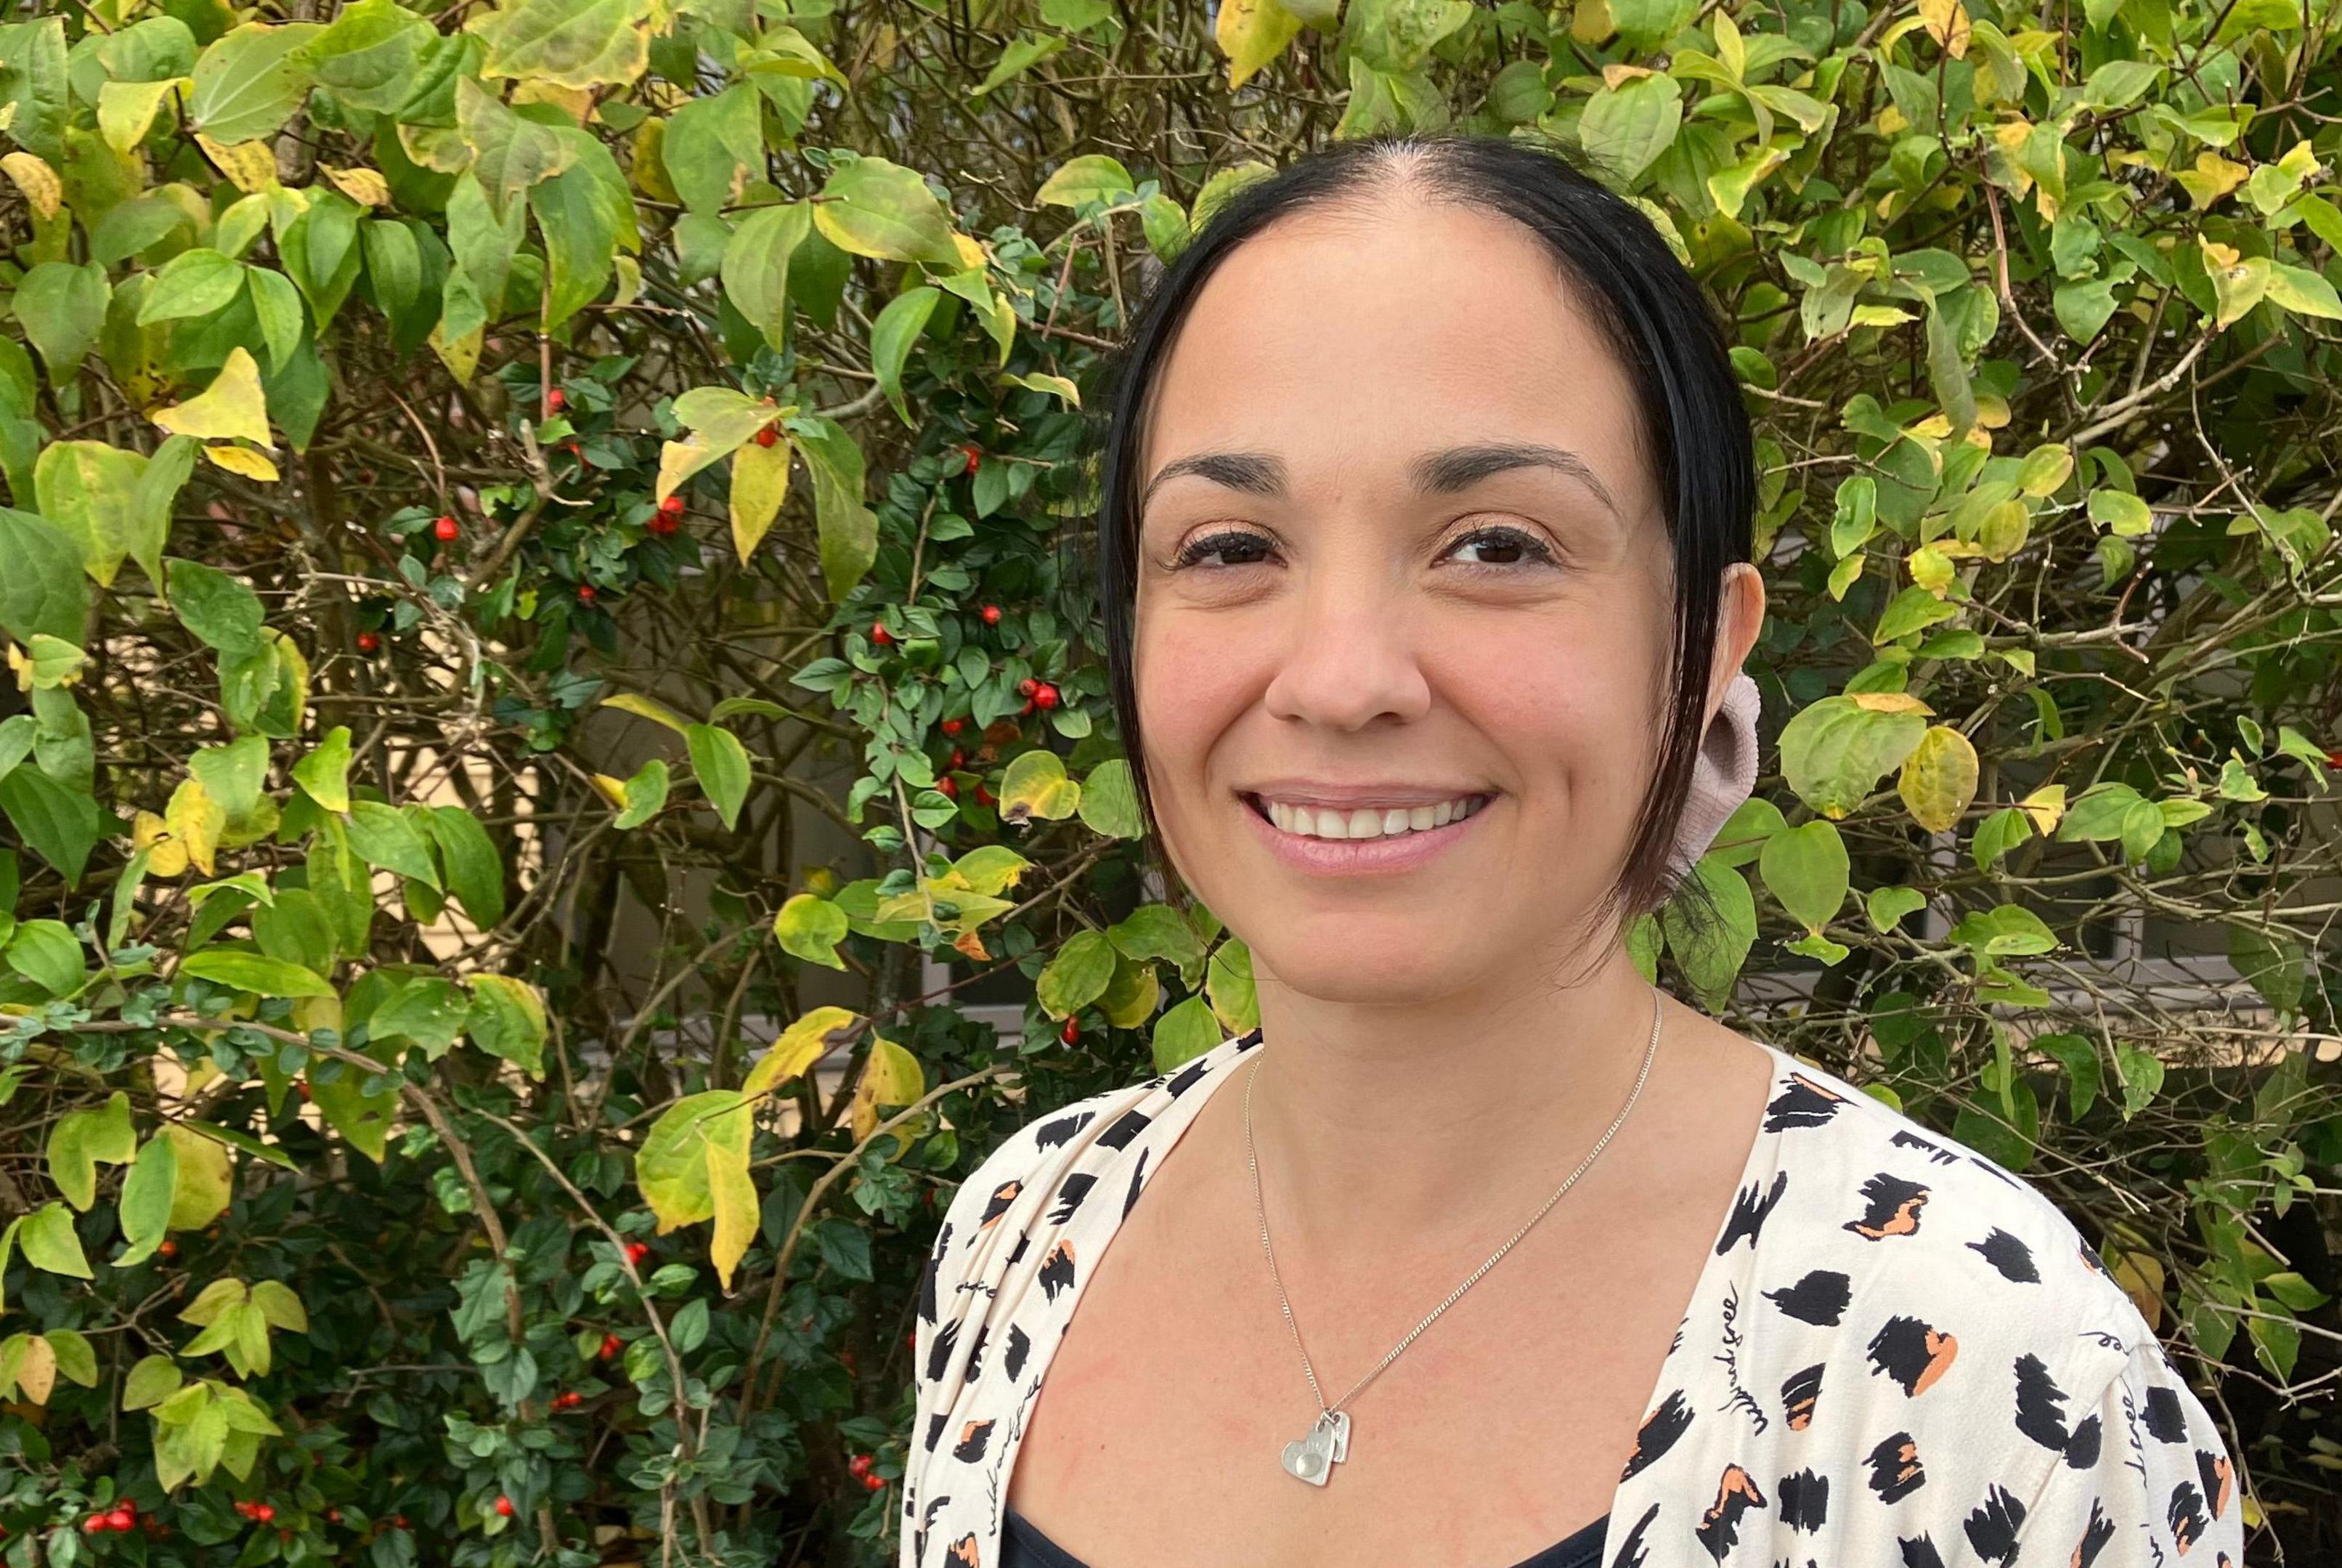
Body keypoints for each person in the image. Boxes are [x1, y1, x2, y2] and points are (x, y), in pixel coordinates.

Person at [896, 132, 2249, 1568]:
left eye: (1496, 545)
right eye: (1228, 548)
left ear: (1703, 642)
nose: (1343, 679)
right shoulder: (1025, 1229)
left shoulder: (1975, 1369)